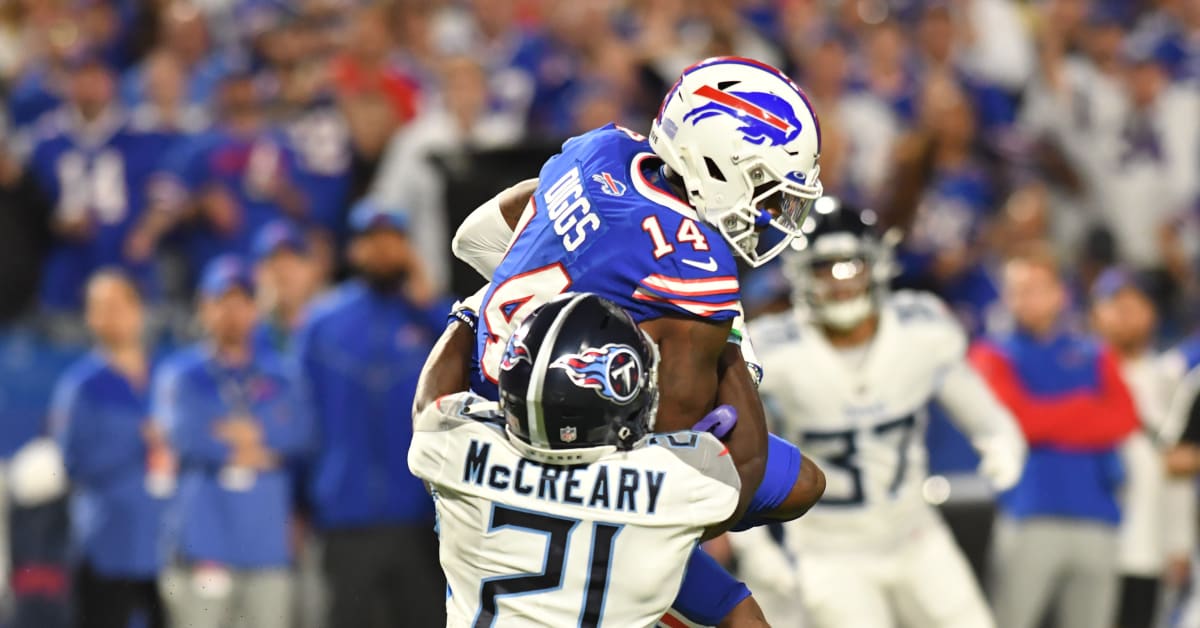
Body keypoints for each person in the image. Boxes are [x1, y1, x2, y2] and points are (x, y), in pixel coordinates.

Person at [443, 56, 827, 625]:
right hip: (573, 456)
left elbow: (473, 239)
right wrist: (728, 344)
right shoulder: (694, 264)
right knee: (796, 489)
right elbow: (732, 476)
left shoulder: (602, 150)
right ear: (717, 166)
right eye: (767, 192)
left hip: (481, 419)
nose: (772, 214)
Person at [750, 198, 1025, 628]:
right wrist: (756, 549)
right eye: (825, 268)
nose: (840, 283)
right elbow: (740, 457)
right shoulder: (774, 351)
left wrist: (1000, 438)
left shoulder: (921, 329)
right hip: (829, 551)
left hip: (915, 534)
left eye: (851, 266)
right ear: (800, 274)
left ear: (876, 266)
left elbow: (980, 408)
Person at [411, 292, 740, 627]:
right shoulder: (678, 479)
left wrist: (468, 314)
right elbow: (753, 464)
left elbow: (429, 406)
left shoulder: (460, 447)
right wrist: (731, 341)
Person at [293, 200, 450, 628]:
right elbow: (303, 417)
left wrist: (430, 302)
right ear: (353, 251)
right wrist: (300, 500)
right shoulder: (321, 322)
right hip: (346, 510)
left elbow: (471, 375)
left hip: (423, 512)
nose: (382, 251)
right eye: (372, 242)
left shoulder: (438, 318)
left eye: (393, 241)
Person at [971, 245, 1140, 628]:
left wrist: (1046, 416)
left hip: (1098, 518)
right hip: (1029, 515)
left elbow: (1124, 418)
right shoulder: (991, 353)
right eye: (1016, 289)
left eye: (1036, 288)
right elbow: (1015, 422)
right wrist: (1084, 406)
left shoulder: (1094, 352)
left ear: (1060, 293)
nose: (1025, 299)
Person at [153, 255, 313, 628]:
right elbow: (186, 439)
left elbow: (300, 436)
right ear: (203, 308)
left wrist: (231, 435)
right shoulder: (181, 375)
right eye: (221, 300)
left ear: (255, 309)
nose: (231, 311)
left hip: (266, 544)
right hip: (202, 541)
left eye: (241, 300)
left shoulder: (282, 376)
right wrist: (262, 446)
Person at [50, 271, 168, 628]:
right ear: (89, 317)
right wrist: (140, 440)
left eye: (119, 305)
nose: (111, 315)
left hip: (168, 546)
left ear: (139, 310)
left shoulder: (167, 378)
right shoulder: (81, 386)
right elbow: (74, 462)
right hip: (107, 545)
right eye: (100, 307)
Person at [1089, 267, 1196, 628]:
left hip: (1145, 546)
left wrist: (1179, 542)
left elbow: (1175, 467)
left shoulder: (1169, 378)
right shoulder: (1077, 372)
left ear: (1154, 313)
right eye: (1115, 304)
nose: (1126, 313)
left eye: (1137, 303)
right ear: (1095, 314)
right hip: (1086, 538)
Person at [250, 219, 318, 358]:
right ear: (256, 274)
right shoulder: (247, 335)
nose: (283, 270)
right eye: (273, 261)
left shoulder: (328, 327)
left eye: (291, 261)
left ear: (310, 270)